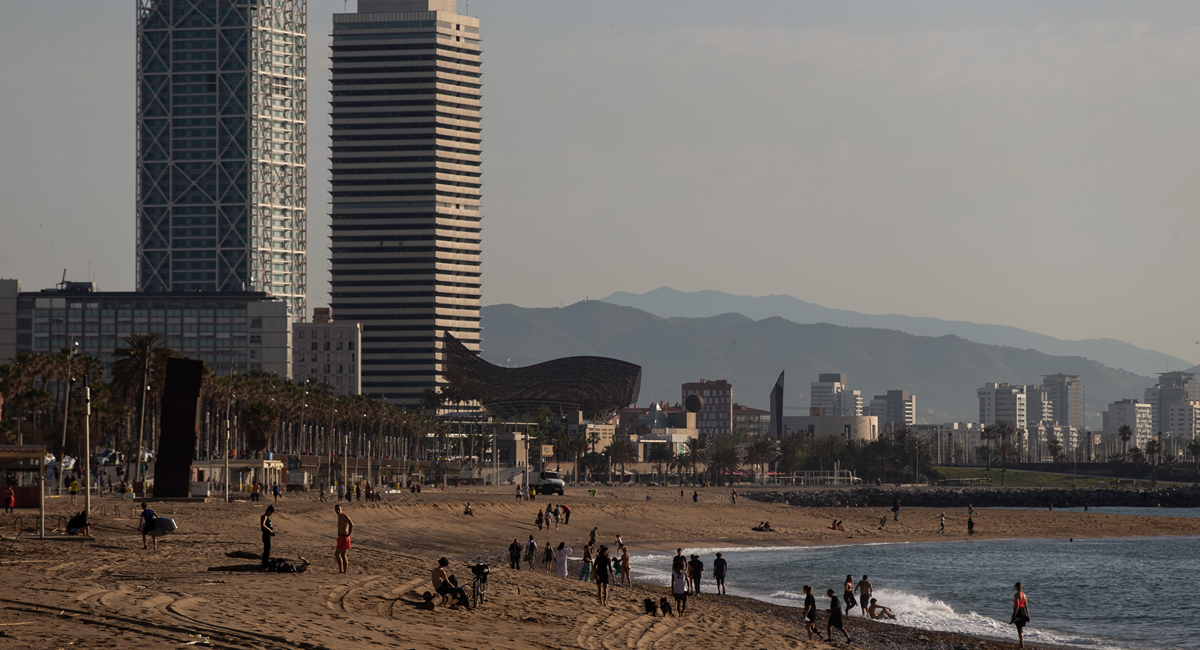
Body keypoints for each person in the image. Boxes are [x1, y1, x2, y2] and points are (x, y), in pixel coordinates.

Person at [335, 504, 354, 574]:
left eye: (339, 509)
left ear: (341, 509)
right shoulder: (339, 517)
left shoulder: (344, 516)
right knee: (337, 554)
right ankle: (340, 570)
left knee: (343, 554)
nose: (338, 511)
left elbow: (351, 524)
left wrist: (348, 534)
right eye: (336, 509)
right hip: (340, 537)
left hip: (344, 537)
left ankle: (344, 571)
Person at [1011, 582, 1030, 648]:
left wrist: (1014, 615)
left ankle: (1021, 644)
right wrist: (1028, 615)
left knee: (1019, 628)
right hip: (1023, 612)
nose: (1014, 587)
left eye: (1015, 586)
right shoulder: (1024, 595)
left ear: (1017, 587)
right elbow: (1026, 606)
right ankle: (1021, 643)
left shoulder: (1017, 595)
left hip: (1018, 611)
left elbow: (1017, 605)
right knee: (1020, 628)